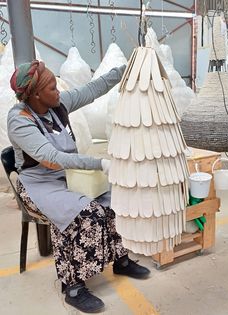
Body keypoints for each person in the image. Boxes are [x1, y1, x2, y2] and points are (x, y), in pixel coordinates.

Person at [8, 60, 150, 313]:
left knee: (113, 199)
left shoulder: (56, 105)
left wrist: (126, 69)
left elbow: (94, 89)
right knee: (84, 214)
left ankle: (121, 260)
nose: (58, 91)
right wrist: (100, 164)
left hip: (68, 176)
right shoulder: (20, 120)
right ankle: (73, 286)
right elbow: (53, 159)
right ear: (36, 94)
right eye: (52, 87)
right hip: (38, 185)